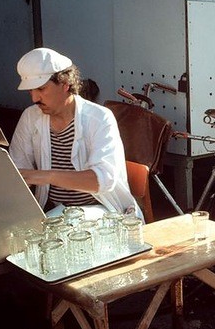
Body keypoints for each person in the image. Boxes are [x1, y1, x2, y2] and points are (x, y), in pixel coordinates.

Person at [9, 48, 141, 219]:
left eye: (41, 89)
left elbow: (102, 180)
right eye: (30, 91)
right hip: (55, 212)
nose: (34, 98)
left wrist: (44, 176)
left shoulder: (99, 118)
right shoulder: (30, 117)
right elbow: (18, 172)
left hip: (103, 210)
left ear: (65, 84)